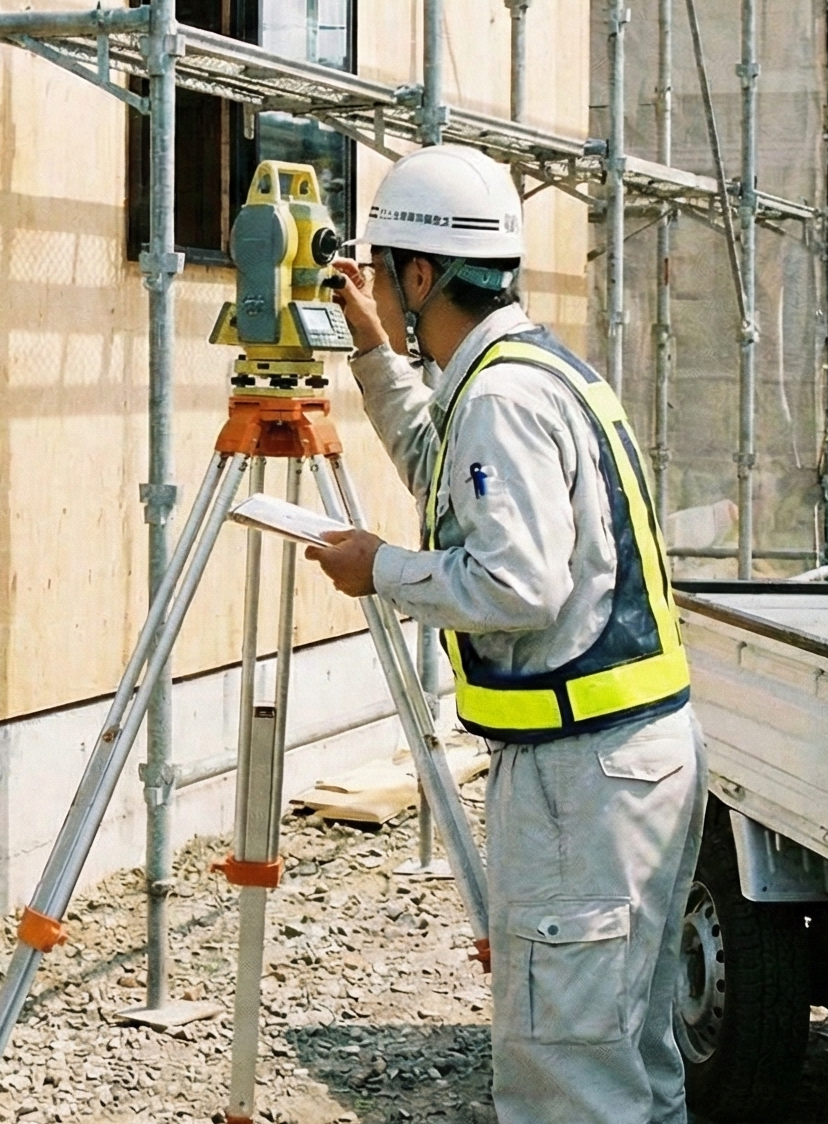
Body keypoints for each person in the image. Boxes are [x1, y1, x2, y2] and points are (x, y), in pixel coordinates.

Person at [302, 145, 708, 1124]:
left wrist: (381, 570)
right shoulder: (527, 370)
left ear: (421, 273)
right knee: (629, 1059)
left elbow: (519, 583)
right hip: (626, 764)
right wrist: (367, 350)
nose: (390, 299)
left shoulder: (501, 397)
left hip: (584, 779)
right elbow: (443, 465)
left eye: (389, 274)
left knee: (569, 1078)